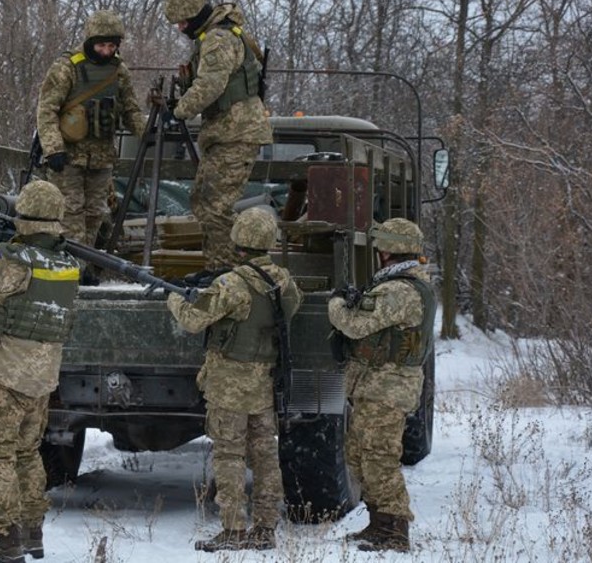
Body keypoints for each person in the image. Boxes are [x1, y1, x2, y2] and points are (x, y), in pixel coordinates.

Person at [0, 180, 81, 563]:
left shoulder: (12, 259)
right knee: (27, 454)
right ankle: (32, 534)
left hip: (6, 373)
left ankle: (7, 544)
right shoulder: (67, 264)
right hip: (41, 377)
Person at [166, 206, 303, 552]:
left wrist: (174, 297)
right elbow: (292, 307)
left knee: (228, 455)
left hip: (229, 382)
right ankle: (265, 529)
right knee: (265, 454)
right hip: (264, 381)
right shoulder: (284, 281)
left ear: (239, 242)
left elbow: (193, 320)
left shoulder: (232, 284)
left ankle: (233, 529)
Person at [327, 218, 436, 553]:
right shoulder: (397, 283)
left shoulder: (399, 289)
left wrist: (336, 305)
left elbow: (355, 325)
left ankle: (395, 529)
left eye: (380, 246)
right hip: (376, 385)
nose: (377, 251)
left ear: (390, 249)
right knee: (359, 453)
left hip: (387, 388)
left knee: (379, 457)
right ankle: (379, 524)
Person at [158, 0, 273, 271]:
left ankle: (230, 272)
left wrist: (178, 112)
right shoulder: (215, 35)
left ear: (197, 15)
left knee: (215, 207)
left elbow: (210, 84)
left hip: (237, 133)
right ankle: (219, 269)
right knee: (204, 201)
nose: (181, 28)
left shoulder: (218, 39)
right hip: (226, 133)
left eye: (184, 22)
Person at [36, 9, 146, 259]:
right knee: (71, 211)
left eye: (111, 45)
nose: (106, 51)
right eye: (101, 45)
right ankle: (74, 266)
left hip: (101, 156)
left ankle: (85, 263)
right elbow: (47, 110)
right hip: (68, 155)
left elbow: (131, 109)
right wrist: (53, 148)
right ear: (90, 42)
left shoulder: (119, 71)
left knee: (96, 212)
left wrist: (147, 132)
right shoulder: (66, 68)